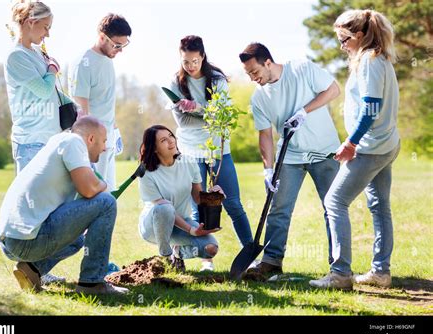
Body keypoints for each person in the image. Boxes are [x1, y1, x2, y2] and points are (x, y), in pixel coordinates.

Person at [310, 9, 401, 290]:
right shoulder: (379, 58)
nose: (342, 45)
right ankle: (380, 272)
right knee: (379, 206)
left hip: (370, 148)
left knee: (334, 202)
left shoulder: (370, 61)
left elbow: (371, 108)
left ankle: (339, 275)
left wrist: (351, 142)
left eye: (344, 38)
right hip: (385, 145)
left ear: (360, 35)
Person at [239, 43, 341, 279]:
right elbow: (265, 135)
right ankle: (271, 261)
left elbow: (334, 90)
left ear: (268, 62)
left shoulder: (302, 69)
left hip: (325, 151)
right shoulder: (259, 98)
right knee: (279, 208)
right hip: (291, 156)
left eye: (255, 72)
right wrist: (268, 170)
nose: (253, 78)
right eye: (248, 75)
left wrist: (305, 111)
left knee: (333, 209)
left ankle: (338, 267)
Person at [0, 117, 128, 295]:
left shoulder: (59, 141)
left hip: (12, 241)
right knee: (107, 203)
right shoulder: (73, 142)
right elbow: (89, 190)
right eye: (104, 141)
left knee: (77, 240)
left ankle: (32, 269)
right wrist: (103, 185)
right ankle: (92, 284)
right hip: (25, 241)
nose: (105, 148)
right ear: (90, 139)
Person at [169, 35, 253, 271]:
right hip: (189, 152)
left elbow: (222, 116)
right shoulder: (175, 82)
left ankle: (250, 255)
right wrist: (207, 113)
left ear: (202, 56)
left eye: (195, 61)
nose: (191, 66)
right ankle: (207, 259)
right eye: (186, 61)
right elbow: (183, 123)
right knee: (198, 206)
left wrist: (196, 108)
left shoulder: (216, 79)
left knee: (233, 203)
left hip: (218, 149)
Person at [4, 0, 73, 285]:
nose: (47, 34)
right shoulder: (15, 57)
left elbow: (55, 93)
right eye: (45, 27)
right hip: (30, 141)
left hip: (50, 140)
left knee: (56, 209)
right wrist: (53, 69)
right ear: (30, 22)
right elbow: (44, 89)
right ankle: (33, 268)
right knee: (35, 211)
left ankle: (37, 270)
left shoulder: (37, 53)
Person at [138, 125, 223, 272]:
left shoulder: (188, 162)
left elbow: (198, 198)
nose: (171, 141)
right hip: (153, 226)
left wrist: (214, 197)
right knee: (165, 207)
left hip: (180, 223)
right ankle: (165, 255)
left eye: (171, 136)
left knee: (211, 249)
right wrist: (191, 230)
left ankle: (177, 252)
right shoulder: (146, 172)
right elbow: (163, 209)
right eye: (164, 140)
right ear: (155, 148)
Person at [69, 13, 132, 191]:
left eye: (124, 45)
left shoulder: (108, 59)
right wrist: (93, 143)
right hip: (93, 142)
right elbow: (81, 111)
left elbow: (106, 100)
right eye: (117, 45)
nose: (120, 50)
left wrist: (114, 129)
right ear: (102, 37)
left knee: (109, 192)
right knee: (95, 194)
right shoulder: (84, 62)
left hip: (108, 137)